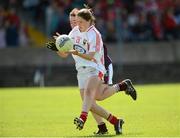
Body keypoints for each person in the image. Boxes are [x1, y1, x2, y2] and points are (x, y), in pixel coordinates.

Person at [46, 8, 137, 135]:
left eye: (79, 22)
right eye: (74, 22)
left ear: (88, 21)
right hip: (81, 70)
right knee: (91, 101)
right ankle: (116, 120)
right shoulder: (74, 32)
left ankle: (82, 118)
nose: (77, 24)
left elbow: (90, 56)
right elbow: (64, 54)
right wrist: (58, 47)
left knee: (89, 93)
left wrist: (74, 51)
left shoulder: (94, 34)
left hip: (95, 67)